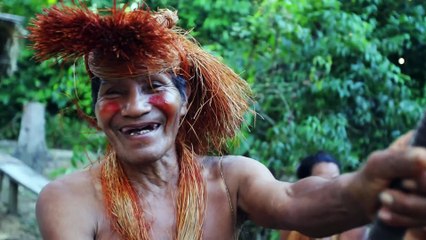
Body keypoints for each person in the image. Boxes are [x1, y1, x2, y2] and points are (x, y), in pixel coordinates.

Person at [28, 2, 426, 240]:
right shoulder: (69, 198)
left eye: (154, 86)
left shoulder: (229, 180)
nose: (134, 107)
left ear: (185, 102)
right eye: (113, 92)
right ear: (97, 112)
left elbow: (294, 201)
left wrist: (364, 189)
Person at [280, 151, 369, 240]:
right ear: (304, 185)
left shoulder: (352, 222)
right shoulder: (291, 221)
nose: (332, 187)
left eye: (335, 180)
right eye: (323, 182)